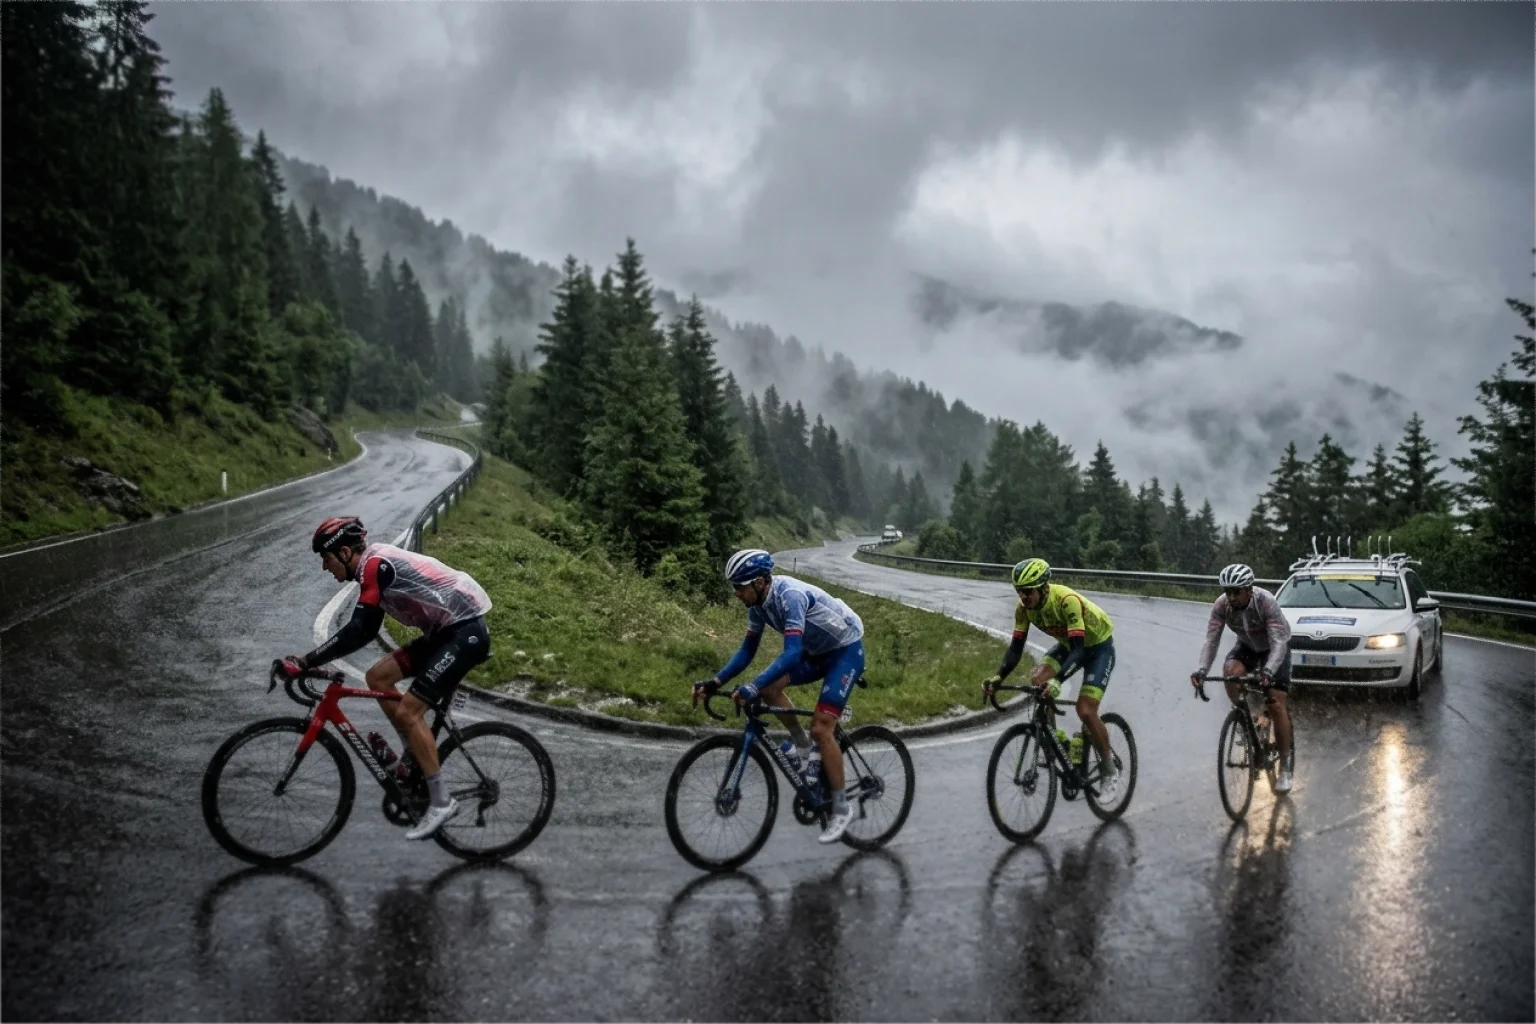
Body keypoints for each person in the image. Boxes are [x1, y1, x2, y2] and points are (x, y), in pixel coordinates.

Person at [274, 516, 493, 840]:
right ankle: (412, 759)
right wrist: (309, 662)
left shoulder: (376, 565)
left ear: (346, 552)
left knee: (408, 710)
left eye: (326, 558)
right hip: (444, 632)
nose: (325, 567)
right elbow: (365, 629)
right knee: (377, 677)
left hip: (465, 632)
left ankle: (441, 801)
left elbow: (361, 631)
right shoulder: (371, 569)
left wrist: (307, 661)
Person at [694, 549, 865, 844]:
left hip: (844, 651)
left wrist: (752, 685)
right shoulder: (757, 606)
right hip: (817, 652)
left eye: (739, 586)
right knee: (770, 689)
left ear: (760, 583)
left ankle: (841, 807)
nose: (736, 593)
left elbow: (792, 653)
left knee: (822, 729)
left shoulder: (791, 597)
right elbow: (747, 651)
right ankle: (802, 747)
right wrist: (715, 681)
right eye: (734, 586)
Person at [983, 558, 1121, 796]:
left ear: (1043, 587)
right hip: (1070, 645)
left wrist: (1058, 681)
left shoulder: (1067, 601)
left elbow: (1080, 651)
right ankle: (1056, 740)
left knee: (1085, 710)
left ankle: (1109, 769)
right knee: (1038, 679)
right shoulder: (1023, 609)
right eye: (1019, 591)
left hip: (1097, 648)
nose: (1023, 597)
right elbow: (1016, 648)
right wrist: (998, 678)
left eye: (1028, 591)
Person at [1191, 563, 1295, 794]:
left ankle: (1286, 765)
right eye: (1228, 591)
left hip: (1274, 647)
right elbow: (1211, 640)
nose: (1231, 596)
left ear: (1249, 589)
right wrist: (1201, 670)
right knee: (1230, 672)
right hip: (1247, 645)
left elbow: (1279, 643)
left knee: (1276, 703)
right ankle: (1246, 718)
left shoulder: (1265, 602)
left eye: (1236, 591)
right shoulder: (1221, 606)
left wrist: (1268, 671)